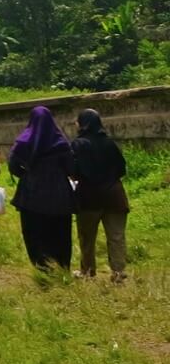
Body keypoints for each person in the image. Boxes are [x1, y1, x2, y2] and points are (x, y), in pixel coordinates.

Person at [9, 105, 74, 270]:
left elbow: (13, 167)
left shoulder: (23, 143)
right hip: (59, 196)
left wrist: (28, 175)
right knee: (60, 233)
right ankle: (62, 266)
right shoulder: (60, 143)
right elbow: (71, 169)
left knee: (34, 233)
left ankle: (42, 266)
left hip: (31, 196)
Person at [71, 108, 129, 282]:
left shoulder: (78, 144)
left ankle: (88, 271)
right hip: (114, 195)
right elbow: (121, 168)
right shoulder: (109, 142)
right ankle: (118, 272)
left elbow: (73, 170)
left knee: (87, 237)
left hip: (89, 197)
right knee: (116, 236)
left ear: (83, 123)